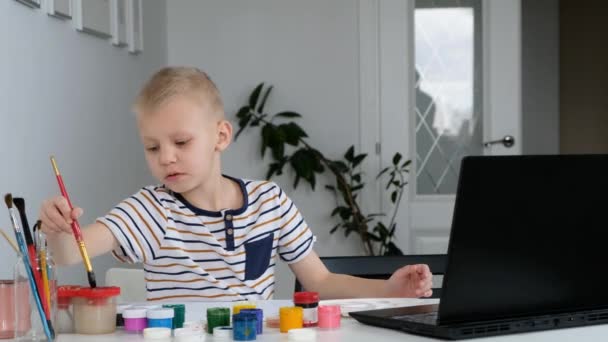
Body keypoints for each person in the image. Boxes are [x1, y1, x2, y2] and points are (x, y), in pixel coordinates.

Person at [39, 67, 433, 302]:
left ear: (221, 136)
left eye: (181, 142)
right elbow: (72, 253)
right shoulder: (150, 210)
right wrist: (57, 230)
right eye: (152, 147)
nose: (166, 157)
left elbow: (320, 280)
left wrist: (388, 290)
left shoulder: (270, 202)